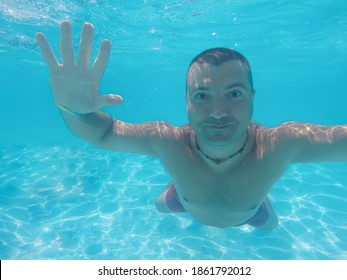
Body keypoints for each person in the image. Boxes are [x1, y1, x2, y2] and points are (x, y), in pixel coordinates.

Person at [35, 21, 347, 231]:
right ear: (185, 99)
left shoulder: (282, 143)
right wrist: (72, 109)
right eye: (202, 95)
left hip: (251, 212)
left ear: (252, 97)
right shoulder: (168, 141)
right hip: (182, 201)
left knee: (271, 228)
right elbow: (103, 133)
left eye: (234, 94)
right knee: (161, 207)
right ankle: (178, 191)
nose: (217, 111)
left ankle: (259, 202)